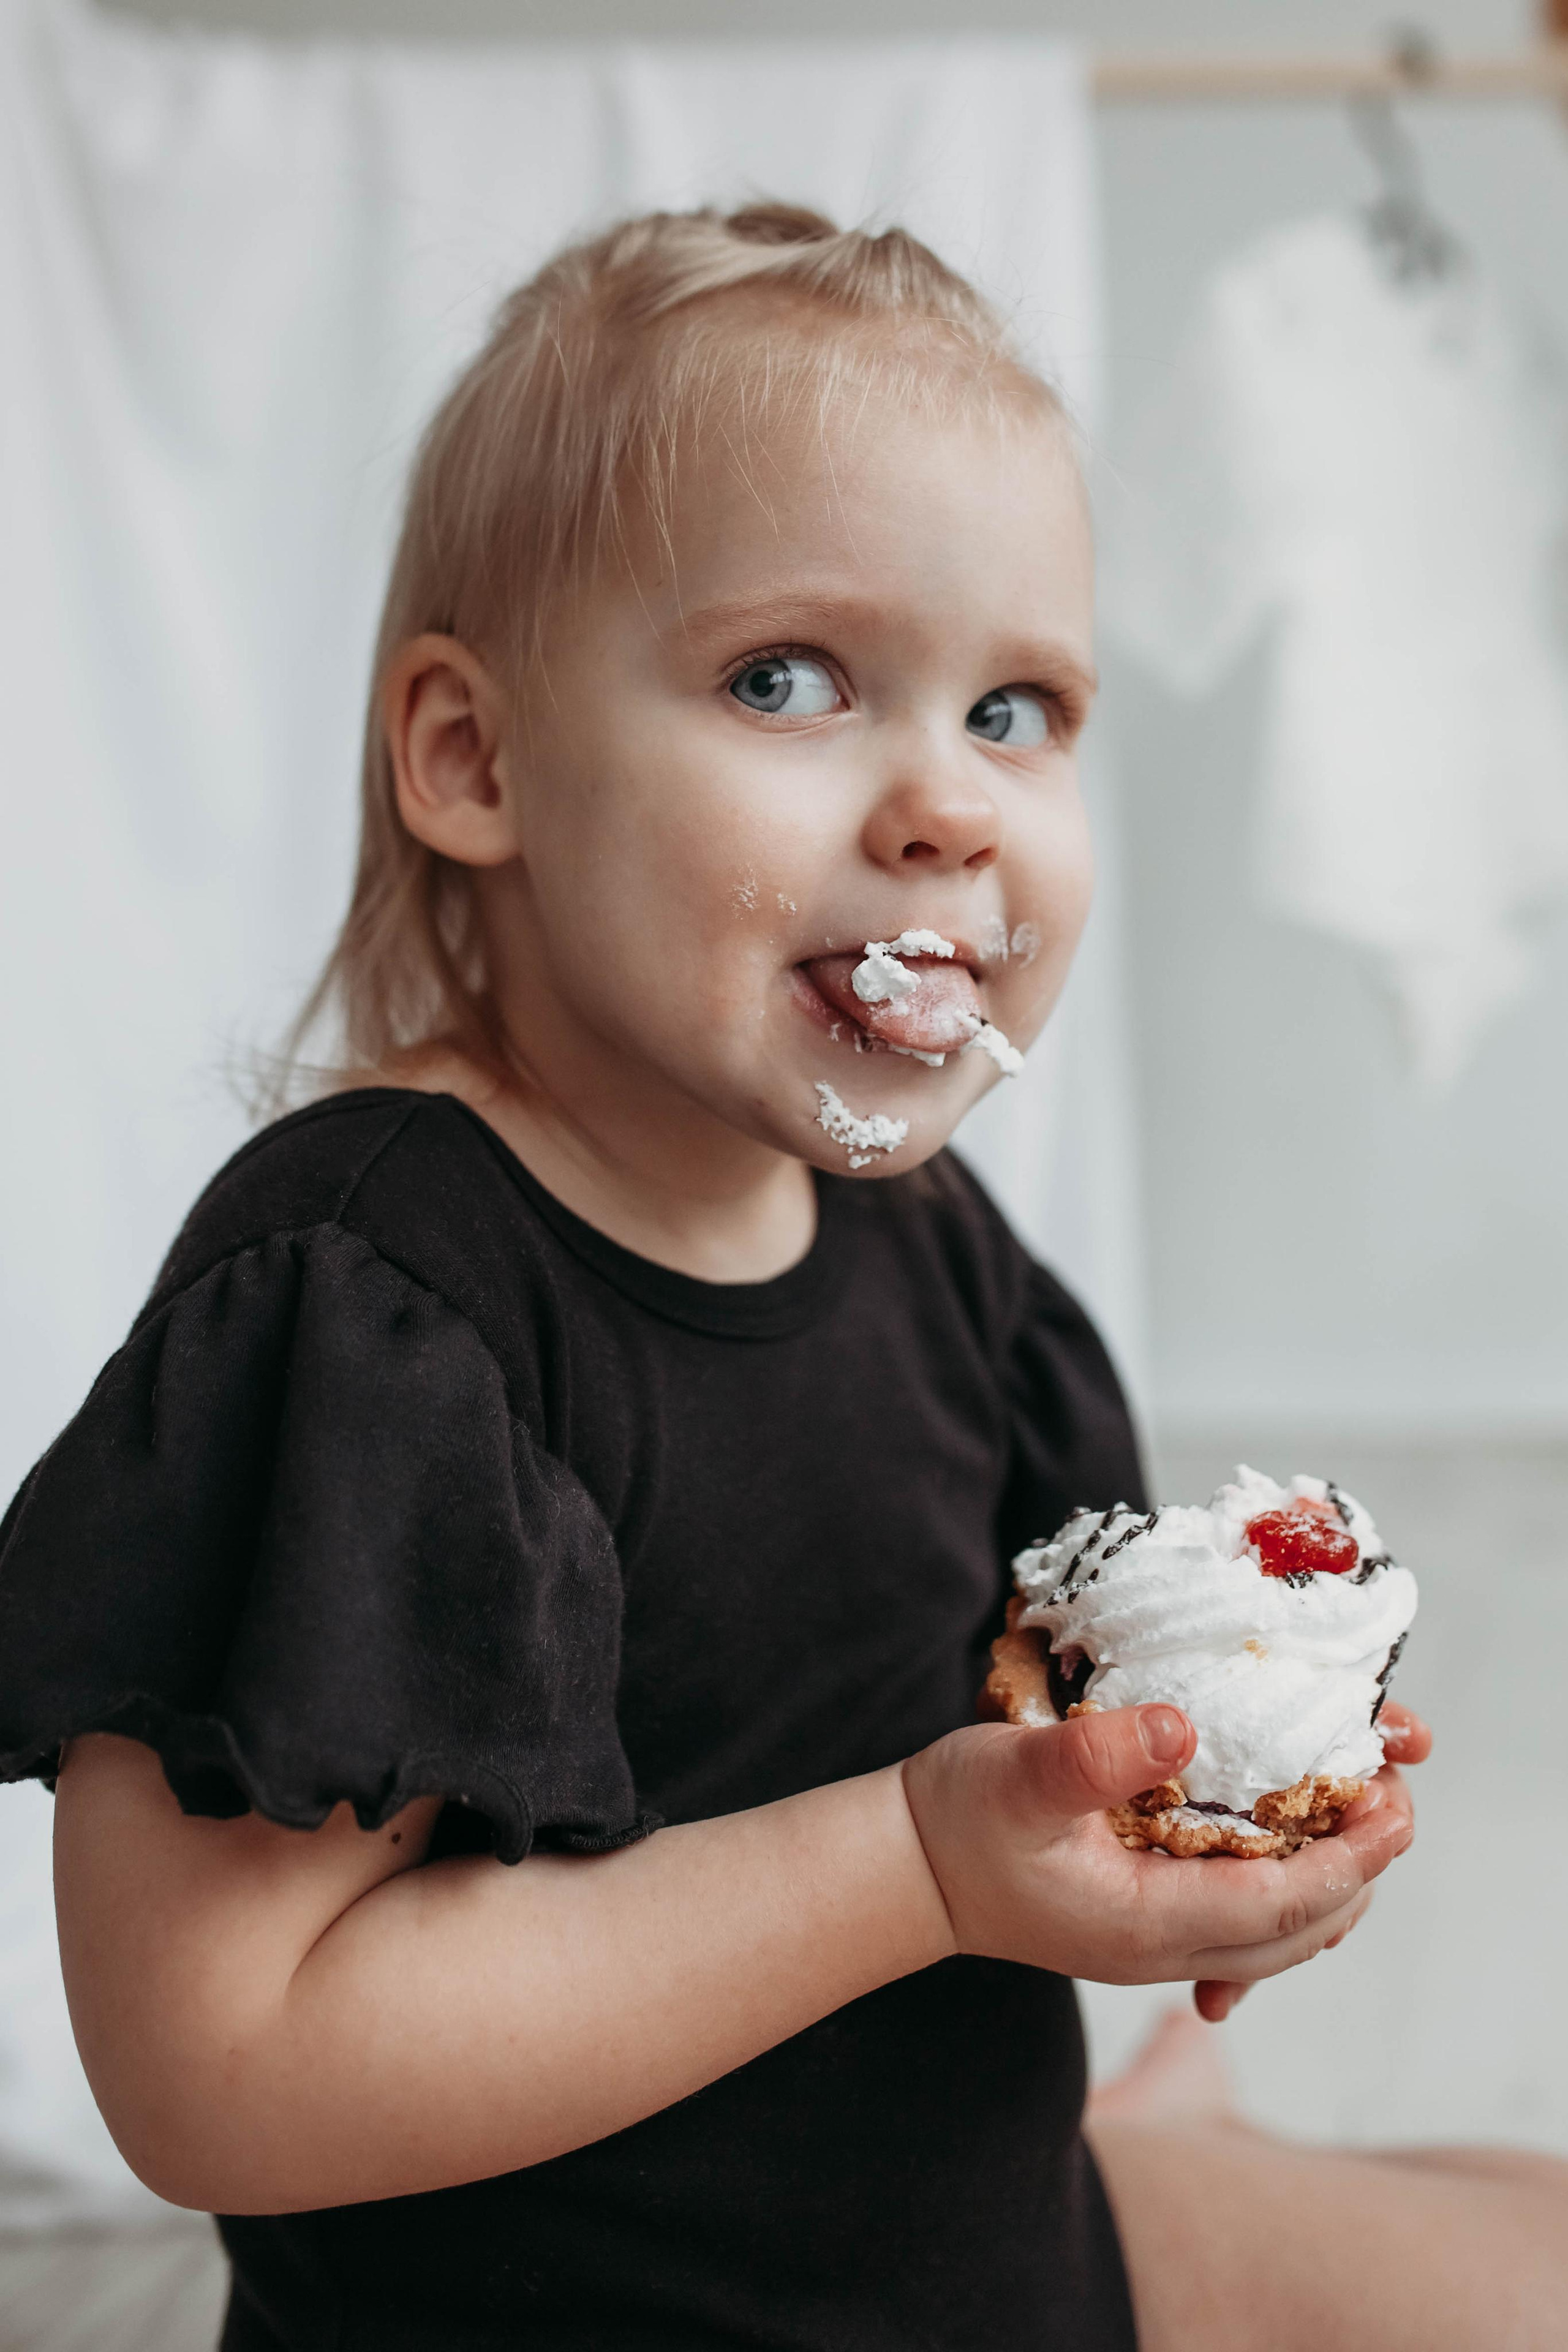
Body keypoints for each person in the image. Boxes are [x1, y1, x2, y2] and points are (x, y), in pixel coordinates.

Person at [0, 202, 1556, 2352]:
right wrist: (919, 1870)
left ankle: (1178, 2160)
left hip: (1002, 2265)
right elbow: (223, 2072)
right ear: (477, 758)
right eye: (788, 680)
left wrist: (1186, 1814)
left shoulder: (935, 1255)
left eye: (1020, 708)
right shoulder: (374, 1305)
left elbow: (1024, 1740)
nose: (949, 806)